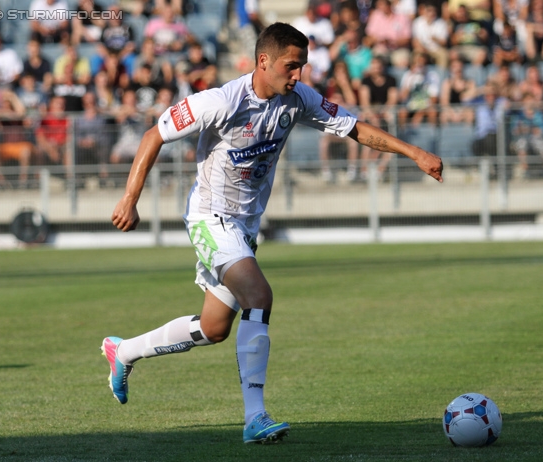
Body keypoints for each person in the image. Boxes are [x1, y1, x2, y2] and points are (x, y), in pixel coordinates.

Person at [103, 22, 442, 445]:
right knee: (259, 297)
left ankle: (125, 351)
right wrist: (129, 199)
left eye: (302, 66)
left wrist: (414, 153)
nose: (298, 74)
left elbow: (354, 127)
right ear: (263, 61)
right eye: (291, 65)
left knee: (214, 328)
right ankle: (255, 416)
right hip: (210, 217)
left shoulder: (298, 100)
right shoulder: (220, 101)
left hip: (244, 228)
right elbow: (155, 134)